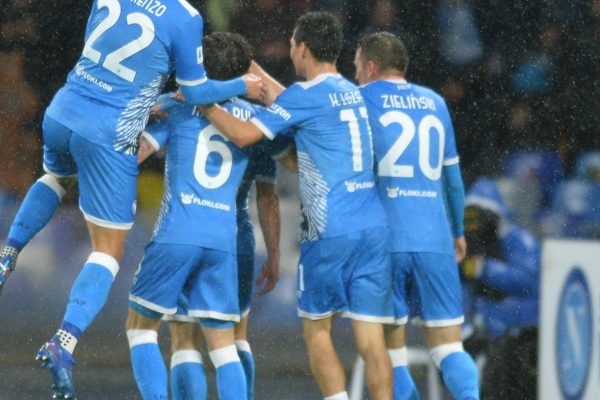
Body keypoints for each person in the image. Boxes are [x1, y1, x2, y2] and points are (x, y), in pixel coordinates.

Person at [0, 1, 264, 398]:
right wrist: (243, 86)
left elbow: (110, 58)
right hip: (126, 147)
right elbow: (197, 92)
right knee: (109, 253)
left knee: (55, 177)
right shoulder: (187, 18)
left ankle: (8, 253)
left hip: (65, 108)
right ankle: (63, 341)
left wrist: (155, 105)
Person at [199, 12, 394, 400]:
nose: (289, 50)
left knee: (317, 331)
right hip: (373, 227)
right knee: (372, 339)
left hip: (330, 230)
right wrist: (247, 63)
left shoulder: (306, 97)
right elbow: (288, 101)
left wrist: (201, 102)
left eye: (291, 44)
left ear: (302, 49)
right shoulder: (354, 92)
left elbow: (242, 134)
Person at [125, 31, 281, 400]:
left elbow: (135, 155)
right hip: (224, 239)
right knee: (224, 345)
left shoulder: (177, 106)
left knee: (144, 330)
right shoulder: (257, 121)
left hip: (177, 233)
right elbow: (273, 186)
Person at [354, 32, 479, 400]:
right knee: (448, 348)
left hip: (385, 241)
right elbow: (452, 180)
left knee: (392, 353)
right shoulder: (435, 103)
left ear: (372, 66)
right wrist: (457, 231)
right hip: (435, 238)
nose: (356, 74)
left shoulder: (359, 101)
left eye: (358, 66)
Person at [461, 178, 540, 400]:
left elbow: (531, 282)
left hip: (523, 336)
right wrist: (466, 330)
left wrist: (486, 270)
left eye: (480, 216)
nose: (475, 225)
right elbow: (464, 292)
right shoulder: (469, 247)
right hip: (487, 337)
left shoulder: (519, 240)